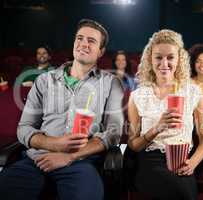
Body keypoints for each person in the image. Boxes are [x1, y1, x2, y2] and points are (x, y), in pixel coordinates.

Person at [0, 19, 124, 200]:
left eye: (91, 41)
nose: (83, 44)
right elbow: (24, 127)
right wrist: (54, 144)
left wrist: (70, 156)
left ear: (101, 52)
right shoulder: (44, 80)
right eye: (80, 38)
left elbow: (114, 132)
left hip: (81, 162)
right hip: (36, 159)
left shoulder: (111, 83)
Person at [127, 29, 203, 200]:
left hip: (183, 159)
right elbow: (133, 145)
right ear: (150, 59)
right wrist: (157, 128)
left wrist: (193, 162)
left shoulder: (194, 92)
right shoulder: (138, 96)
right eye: (158, 57)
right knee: (182, 195)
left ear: (179, 59)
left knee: (185, 193)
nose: (164, 63)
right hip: (151, 161)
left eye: (170, 57)